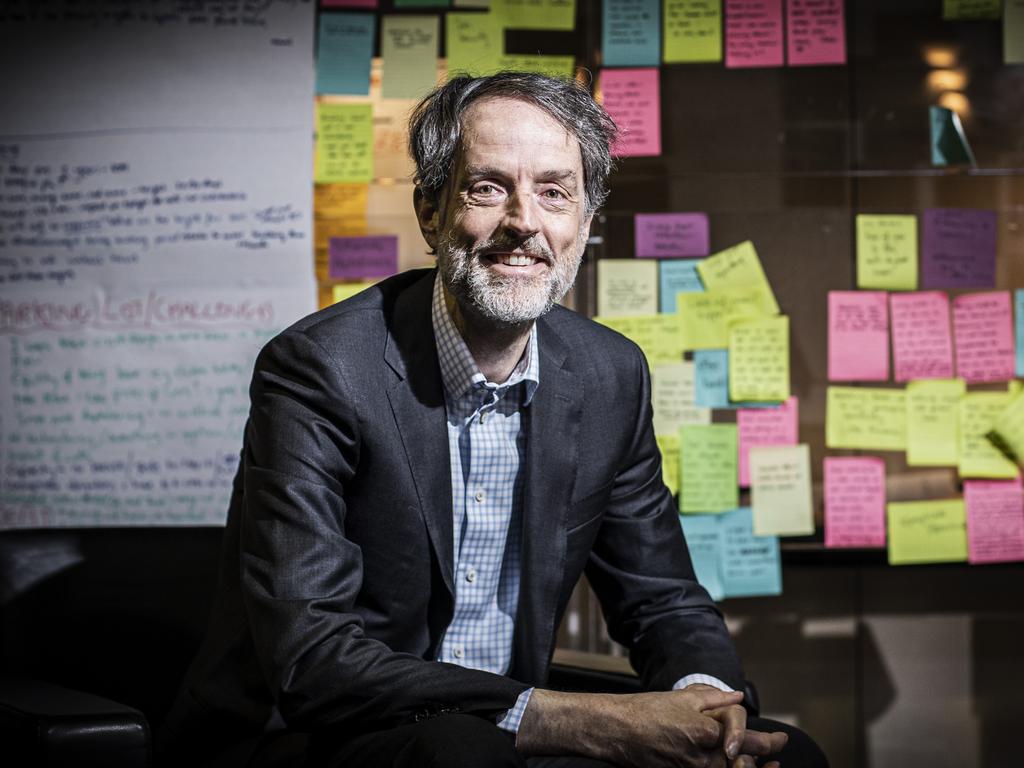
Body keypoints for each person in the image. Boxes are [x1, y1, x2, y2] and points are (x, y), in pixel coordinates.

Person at [159, 71, 828, 768]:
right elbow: (314, 661)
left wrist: (707, 703)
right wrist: (587, 721)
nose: (524, 222)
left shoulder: (609, 376)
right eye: (486, 187)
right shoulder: (320, 370)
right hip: (317, 734)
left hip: (507, 737)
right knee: (460, 754)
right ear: (430, 211)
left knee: (788, 757)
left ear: (584, 223)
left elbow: (663, 601)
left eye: (554, 191)